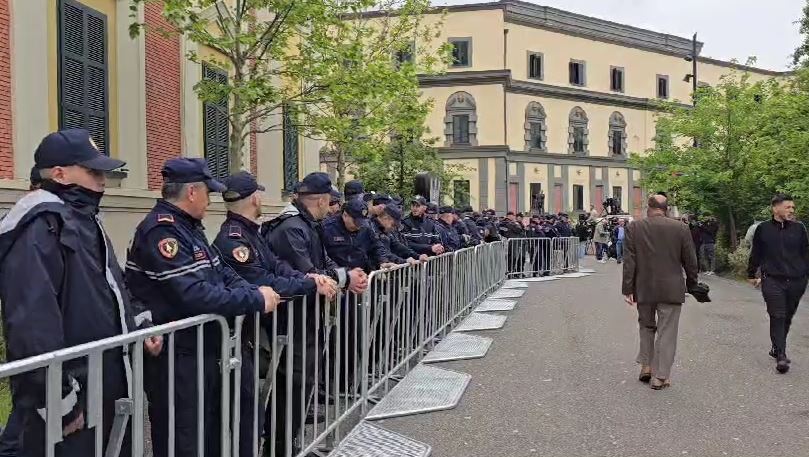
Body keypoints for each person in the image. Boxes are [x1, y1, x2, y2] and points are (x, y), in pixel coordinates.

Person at [0, 129, 161, 457]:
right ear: (59, 173)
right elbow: (33, 327)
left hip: (103, 390)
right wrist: (61, 403)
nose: (103, 179)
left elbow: (112, 289)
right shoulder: (41, 227)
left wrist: (140, 328)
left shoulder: (85, 221)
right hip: (71, 403)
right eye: (93, 171)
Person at [126, 158, 279, 457]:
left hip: (201, 351)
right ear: (192, 192)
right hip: (177, 356)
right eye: (208, 192)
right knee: (184, 439)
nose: (211, 200)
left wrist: (254, 291)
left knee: (208, 435)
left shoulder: (190, 229)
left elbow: (222, 273)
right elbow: (194, 295)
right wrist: (256, 299)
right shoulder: (162, 232)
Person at [211, 171, 338, 457]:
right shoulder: (234, 240)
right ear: (254, 198)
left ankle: (283, 448)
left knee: (271, 401)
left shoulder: (251, 233)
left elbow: (278, 267)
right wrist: (309, 282)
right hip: (248, 335)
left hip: (258, 333)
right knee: (252, 409)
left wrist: (311, 279)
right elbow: (264, 280)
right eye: (260, 194)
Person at [263, 172, 368, 456]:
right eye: (329, 200)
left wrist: (345, 276)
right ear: (321, 199)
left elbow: (323, 263)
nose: (331, 206)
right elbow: (306, 270)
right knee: (291, 388)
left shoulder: (307, 224)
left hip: (306, 317)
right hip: (291, 320)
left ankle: (291, 444)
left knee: (300, 387)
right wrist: (344, 278)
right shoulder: (292, 227)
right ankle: (280, 448)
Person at [622, 195, 698, 390]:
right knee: (667, 331)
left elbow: (630, 261)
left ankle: (646, 367)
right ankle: (661, 376)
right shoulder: (680, 228)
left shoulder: (634, 228)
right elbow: (690, 260)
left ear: (649, 207)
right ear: (667, 208)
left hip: (644, 287)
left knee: (646, 326)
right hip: (671, 288)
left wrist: (628, 288)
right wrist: (692, 283)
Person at [747, 194, 809, 374]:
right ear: (775, 208)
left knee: (788, 316)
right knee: (778, 315)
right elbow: (756, 252)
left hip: (797, 280)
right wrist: (751, 273)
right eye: (788, 207)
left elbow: (806, 252)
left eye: (793, 208)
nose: (791, 211)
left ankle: (776, 346)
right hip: (772, 279)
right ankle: (781, 355)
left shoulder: (799, 229)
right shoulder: (763, 229)